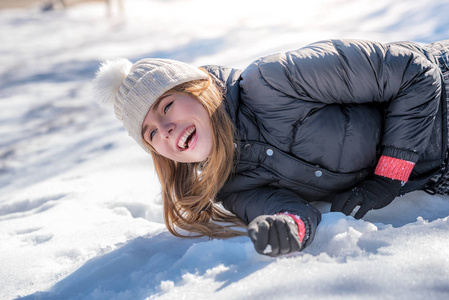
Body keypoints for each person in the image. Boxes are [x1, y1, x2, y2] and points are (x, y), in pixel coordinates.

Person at [93, 39, 449, 257]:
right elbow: (289, 212)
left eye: (167, 106)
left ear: (197, 88)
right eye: (151, 134)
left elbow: (417, 73)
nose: (166, 130)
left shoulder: (273, 81)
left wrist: (388, 177)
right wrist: (287, 228)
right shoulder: (231, 184)